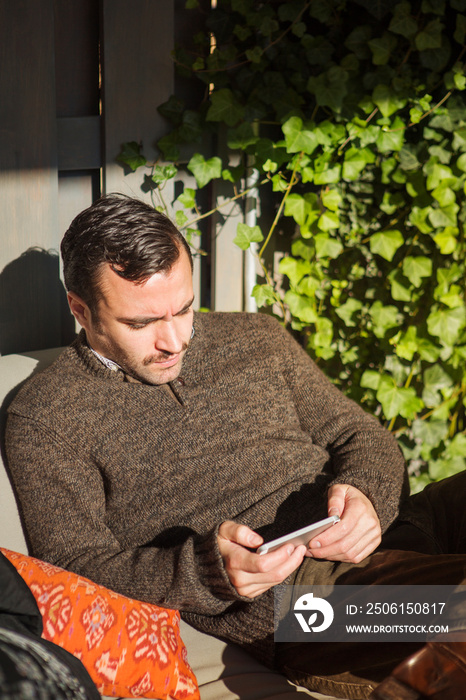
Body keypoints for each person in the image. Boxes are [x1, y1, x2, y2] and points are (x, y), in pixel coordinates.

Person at [5, 194, 466, 700]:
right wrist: (207, 571)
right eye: (141, 323)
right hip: (304, 607)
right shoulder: (45, 418)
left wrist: (364, 494)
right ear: (81, 310)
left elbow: (358, 433)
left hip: (403, 527)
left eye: (183, 309)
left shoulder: (255, 336)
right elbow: (73, 568)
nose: (174, 340)